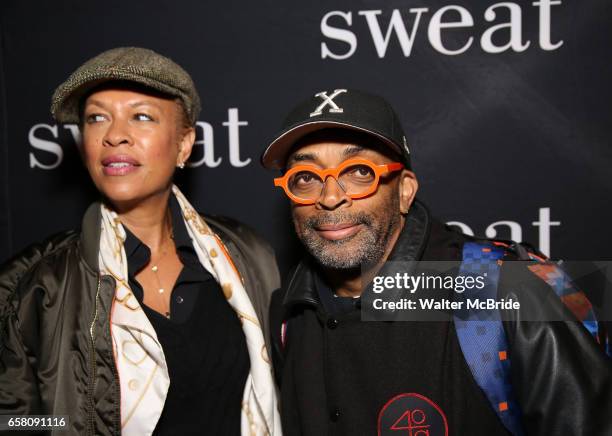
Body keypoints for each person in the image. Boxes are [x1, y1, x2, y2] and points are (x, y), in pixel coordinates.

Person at [262, 88, 612, 435]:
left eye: (360, 172)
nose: (331, 196)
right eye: (305, 178)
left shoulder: (507, 291)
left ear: (404, 192)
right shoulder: (288, 314)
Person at [0, 47, 281, 436]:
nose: (114, 135)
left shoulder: (247, 253)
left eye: (141, 116)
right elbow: (13, 420)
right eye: (97, 118)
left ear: (184, 144)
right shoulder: (31, 286)